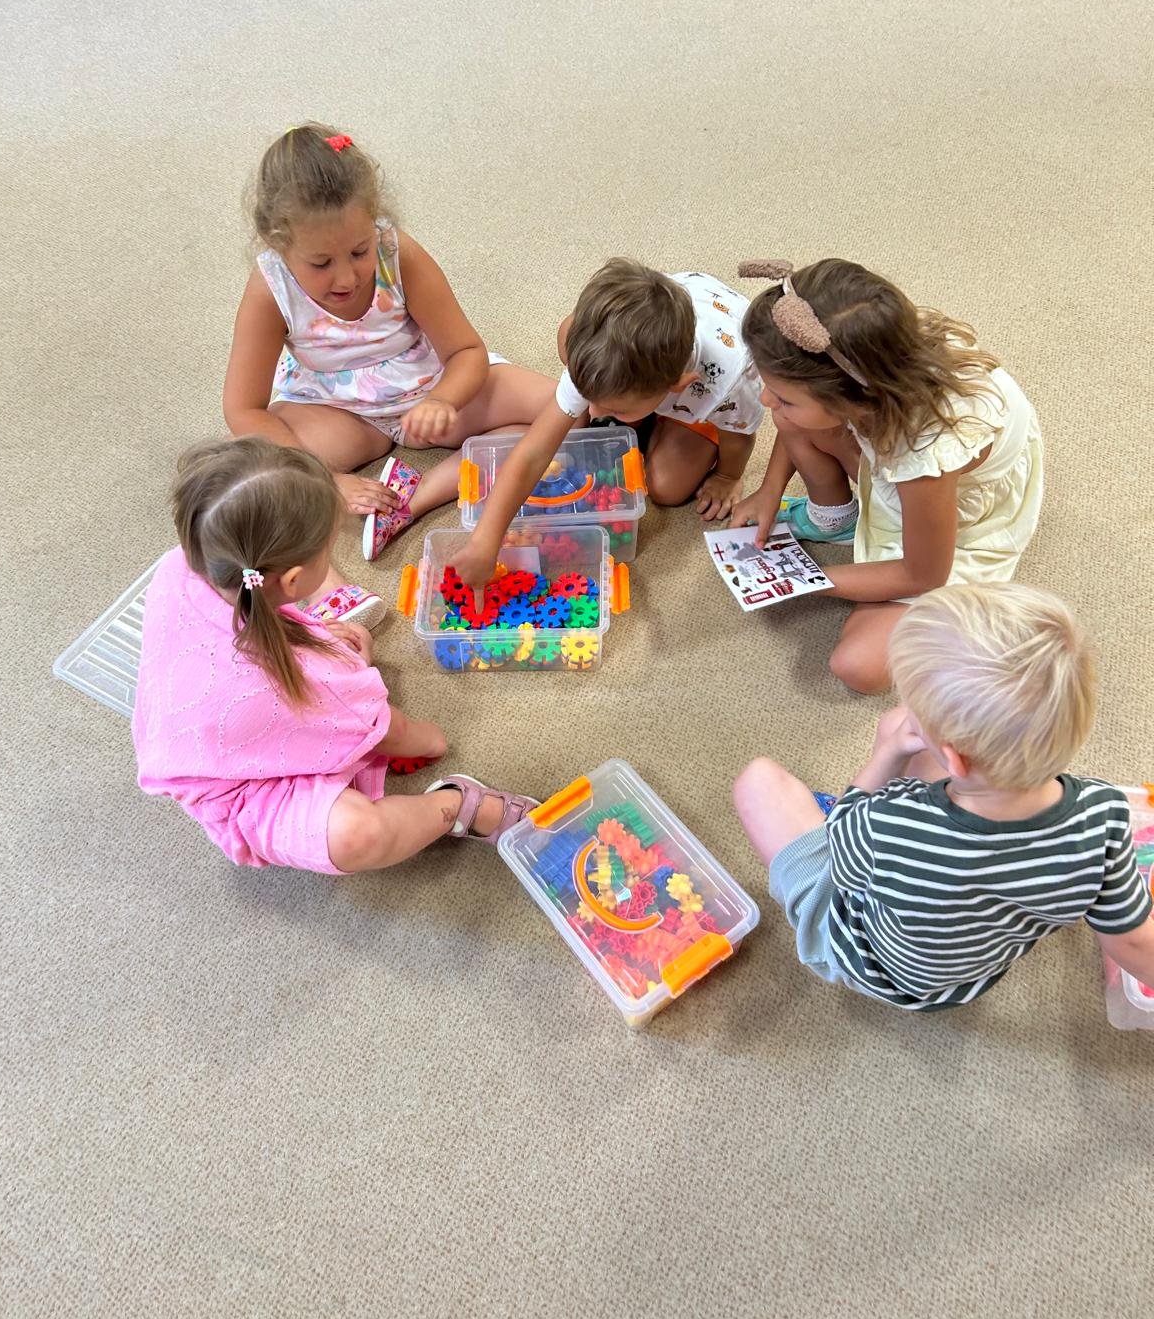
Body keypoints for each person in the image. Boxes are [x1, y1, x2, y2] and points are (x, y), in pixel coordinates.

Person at [732, 583, 1154, 1011]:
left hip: (868, 959)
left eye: (916, 709)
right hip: (968, 977)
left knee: (757, 781)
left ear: (953, 759)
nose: (908, 714)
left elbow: (840, 842)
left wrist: (886, 755)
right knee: (898, 729)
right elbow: (1134, 942)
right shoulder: (1106, 815)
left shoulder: (888, 823)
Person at [133, 438, 536, 875]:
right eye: (328, 551)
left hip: (202, 744)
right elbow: (392, 732)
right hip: (237, 794)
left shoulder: (178, 566)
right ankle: (458, 804)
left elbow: (245, 628)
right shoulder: (314, 680)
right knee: (359, 834)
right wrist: (431, 739)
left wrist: (312, 638)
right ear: (292, 581)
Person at [222, 124, 553, 565]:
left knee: (564, 411)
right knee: (257, 473)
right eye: (321, 263)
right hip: (337, 409)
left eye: (360, 252)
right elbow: (244, 409)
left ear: (374, 222)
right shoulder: (270, 289)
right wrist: (326, 480)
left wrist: (443, 400)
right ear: (277, 244)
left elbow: (466, 353)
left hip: (426, 386)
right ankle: (364, 478)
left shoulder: (398, 254)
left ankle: (416, 497)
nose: (346, 277)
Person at [730, 258, 1043, 693]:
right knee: (792, 417)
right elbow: (797, 409)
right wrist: (769, 488)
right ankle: (834, 518)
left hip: (950, 514)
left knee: (858, 667)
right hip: (893, 445)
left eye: (782, 395)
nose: (766, 400)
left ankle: (953, 623)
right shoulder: (867, 348)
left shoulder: (925, 455)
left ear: (852, 402)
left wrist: (806, 582)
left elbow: (924, 574)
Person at [454, 257, 764, 591]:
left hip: (711, 372)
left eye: (613, 407)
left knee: (667, 489)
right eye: (590, 397)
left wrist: (727, 476)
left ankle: (652, 417)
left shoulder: (730, 383)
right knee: (567, 358)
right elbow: (532, 453)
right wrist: (485, 539)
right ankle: (636, 412)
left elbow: (739, 435)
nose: (595, 412)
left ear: (676, 386)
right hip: (658, 335)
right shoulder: (594, 357)